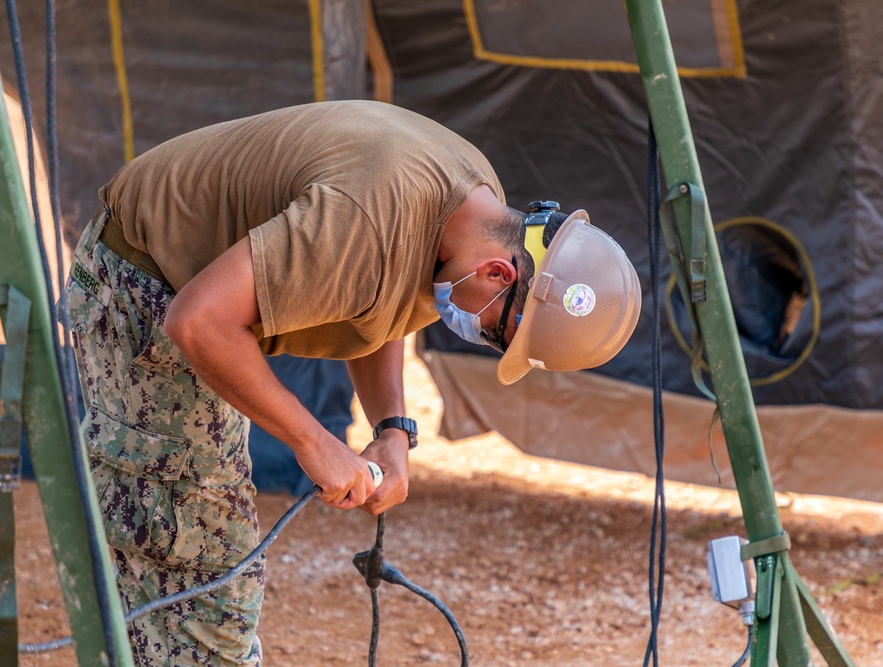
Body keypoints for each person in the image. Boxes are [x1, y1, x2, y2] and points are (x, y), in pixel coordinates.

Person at [65, 100, 639, 665]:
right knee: (196, 552)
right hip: (144, 280)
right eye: (499, 333)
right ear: (499, 273)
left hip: (193, 292)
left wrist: (391, 427)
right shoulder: (364, 219)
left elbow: (387, 301)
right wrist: (313, 442)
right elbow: (199, 322)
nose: (484, 338)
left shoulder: (472, 210)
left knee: (185, 549)